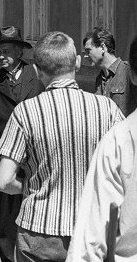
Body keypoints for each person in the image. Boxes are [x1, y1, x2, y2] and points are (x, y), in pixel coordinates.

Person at [0, 31, 124, 262]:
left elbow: (3, 180)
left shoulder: (25, 112)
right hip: (94, 230)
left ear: (36, 70)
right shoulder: (107, 109)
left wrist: (31, 187)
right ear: (76, 63)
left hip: (39, 230)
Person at [0, 26, 45, 262]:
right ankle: (7, 257)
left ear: (19, 51)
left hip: (34, 155)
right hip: (5, 157)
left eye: (6, 51)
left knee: (33, 208)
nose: (1, 56)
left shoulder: (36, 78)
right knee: (7, 214)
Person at [66, 36, 137, 261]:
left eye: (88, 50)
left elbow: (90, 243)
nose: (85, 55)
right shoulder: (101, 77)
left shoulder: (124, 72)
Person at [83, 27, 137, 116]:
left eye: (88, 51)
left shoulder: (128, 72)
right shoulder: (99, 79)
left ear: (102, 47)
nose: (85, 56)